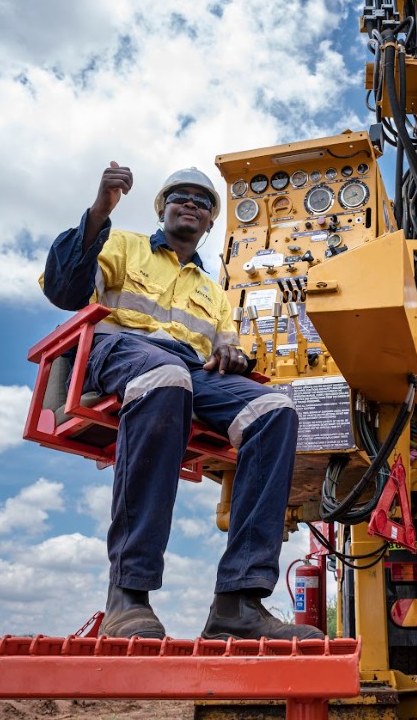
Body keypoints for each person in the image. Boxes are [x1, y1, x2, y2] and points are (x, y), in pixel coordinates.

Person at [42, 161, 323, 641]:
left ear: (211, 221)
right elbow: (65, 291)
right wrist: (98, 212)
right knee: (167, 377)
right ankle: (127, 595)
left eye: (202, 201)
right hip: (119, 351)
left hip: (190, 373)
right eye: (180, 197)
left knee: (275, 410)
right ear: (162, 210)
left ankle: (239, 602)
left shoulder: (214, 293)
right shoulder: (122, 245)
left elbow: (225, 344)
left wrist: (233, 354)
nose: (191, 204)